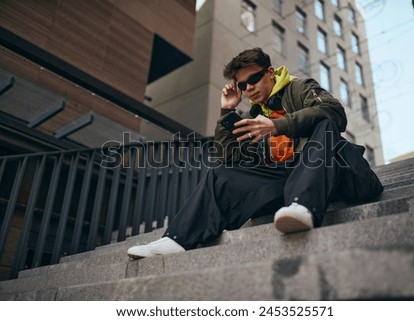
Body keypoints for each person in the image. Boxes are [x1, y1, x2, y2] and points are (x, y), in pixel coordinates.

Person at [127, 48, 383, 258]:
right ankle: (177, 239)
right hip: (288, 183)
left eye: (254, 79)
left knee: (324, 124)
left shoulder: (301, 87)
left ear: (270, 72)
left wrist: (278, 125)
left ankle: (304, 205)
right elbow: (231, 159)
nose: (248, 88)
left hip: (343, 175)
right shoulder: (254, 115)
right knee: (221, 173)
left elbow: (335, 113)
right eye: (242, 85)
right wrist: (227, 112)